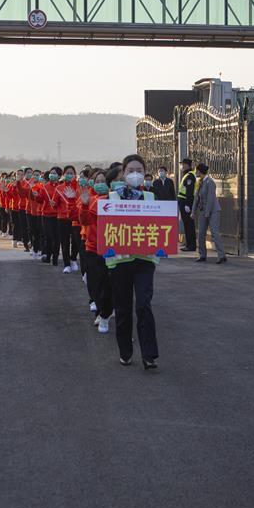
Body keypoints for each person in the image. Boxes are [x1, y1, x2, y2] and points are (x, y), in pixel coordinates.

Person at [105, 156, 161, 370]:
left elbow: (159, 225)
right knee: (123, 308)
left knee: (144, 305)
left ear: (145, 172)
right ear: (123, 174)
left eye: (139, 170)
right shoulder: (111, 198)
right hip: (120, 261)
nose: (135, 174)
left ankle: (149, 354)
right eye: (130, 170)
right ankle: (125, 351)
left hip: (145, 260)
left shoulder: (150, 197)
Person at [79, 169, 114, 334]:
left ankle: (105, 312)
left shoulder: (116, 201)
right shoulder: (90, 200)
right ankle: (101, 311)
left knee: (108, 284)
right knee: (95, 283)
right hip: (92, 246)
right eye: (97, 181)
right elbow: (84, 220)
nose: (101, 184)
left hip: (111, 248)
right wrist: (84, 205)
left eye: (104, 181)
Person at [192, 163, 227, 264]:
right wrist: (193, 211)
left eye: (196, 170)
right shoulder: (199, 182)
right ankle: (202, 254)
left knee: (214, 233)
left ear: (200, 171)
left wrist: (207, 212)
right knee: (201, 234)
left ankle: (221, 255)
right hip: (203, 211)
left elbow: (211, 199)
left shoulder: (210, 182)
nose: (195, 172)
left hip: (213, 211)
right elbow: (196, 198)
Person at [178, 158, 198, 252]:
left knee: (189, 224)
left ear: (187, 165)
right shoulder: (186, 175)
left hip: (186, 202)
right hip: (183, 201)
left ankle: (191, 245)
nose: (182, 166)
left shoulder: (190, 176)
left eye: (183, 164)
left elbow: (189, 191)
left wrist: (187, 204)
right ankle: (189, 244)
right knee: (187, 224)